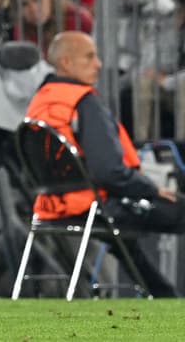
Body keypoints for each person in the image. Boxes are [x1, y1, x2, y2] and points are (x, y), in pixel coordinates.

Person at [24, 30, 185, 297]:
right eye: (89, 57)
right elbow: (108, 171)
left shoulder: (41, 101)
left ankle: (164, 297)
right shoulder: (85, 103)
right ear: (66, 63)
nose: (98, 64)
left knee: (122, 242)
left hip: (51, 206)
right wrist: (151, 189)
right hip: (95, 206)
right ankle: (164, 296)